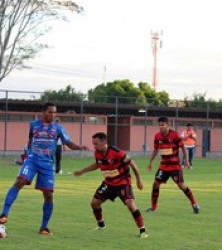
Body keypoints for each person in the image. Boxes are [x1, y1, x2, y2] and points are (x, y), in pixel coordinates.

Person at [0, 102, 89, 235]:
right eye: (50, 112)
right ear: (43, 112)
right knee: (19, 182)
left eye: (54, 112)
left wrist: (80, 147)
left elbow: (68, 143)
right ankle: (4, 214)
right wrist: (26, 154)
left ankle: (44, 227)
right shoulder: (34, 125)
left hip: (47, 165)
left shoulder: (58, 128)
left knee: (48, 196)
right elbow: (30, 139)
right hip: (32, 160)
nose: (52, 114)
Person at [74, 132, 148, 238]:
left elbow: (132, 163)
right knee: (94, 204)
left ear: (104, 142)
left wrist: (139, 180)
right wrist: (82, 171)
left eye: (96, 143)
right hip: (109, 183)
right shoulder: (97, 153)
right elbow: (97, 164)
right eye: (93, 144)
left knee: (130, 204)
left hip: (123, 182)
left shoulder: (116, 152)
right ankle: (101, 225)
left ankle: (142, 231)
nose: (94, 146)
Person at [147, 116, 200, 214]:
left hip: (175, 166)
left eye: (162, 125)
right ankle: (153, 208)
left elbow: (183, 148)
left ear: (168, 125)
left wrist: (187, 161)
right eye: (159, 125)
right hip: (163, 167)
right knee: (155, 184)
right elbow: (155, 149)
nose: (160, 127)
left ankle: (194, 203)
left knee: (181, 185)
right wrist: (151, 161)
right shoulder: (157, 136)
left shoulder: (175, 135)